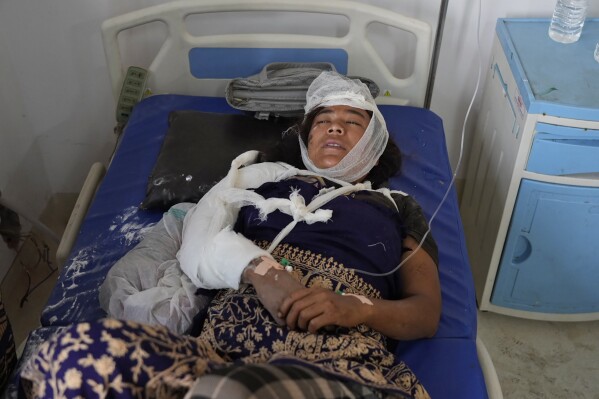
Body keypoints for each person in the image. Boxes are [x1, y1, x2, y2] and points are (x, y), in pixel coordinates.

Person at [20, 71, 441, 399]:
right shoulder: (258, 177)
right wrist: (261, 271)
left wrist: (357, 309)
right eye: (323, 121)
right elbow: (201, 234)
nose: (334, 128)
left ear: (375, 144)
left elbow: (425, 312)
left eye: (353, 123)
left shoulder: (398, 206)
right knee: (73, 359)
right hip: (225, 349)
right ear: (305, 137)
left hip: (339, 356)